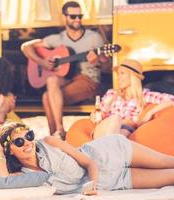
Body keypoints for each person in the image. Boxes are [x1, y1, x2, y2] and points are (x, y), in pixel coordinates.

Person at [0, 120, 174, 195]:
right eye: (18, 142)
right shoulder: (24, 175)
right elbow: (2, 179)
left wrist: (91, 185)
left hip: (110, 153)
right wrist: (0, 151)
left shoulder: (49, 142)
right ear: (10, 151)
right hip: (113, 180)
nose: (27, 143)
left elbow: (88, 161)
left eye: (29, 136)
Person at [21, 1, 109, 138]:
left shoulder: (94, 38)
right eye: (73, 17)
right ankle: (59, 131)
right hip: (68, 78)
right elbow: (26, 47)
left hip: (87, 80)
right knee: (51, 82)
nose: (77, 20)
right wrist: (42, 62)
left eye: (80, 16)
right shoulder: (58, 39)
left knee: (47, 97)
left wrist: (97, 61)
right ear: (65, 17)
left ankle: (57, 135)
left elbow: (107, 67)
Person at [91, 59, 174, 138]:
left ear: (132, 76)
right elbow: (100, 113)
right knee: (115, 119)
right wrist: (94, 116)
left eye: (122, 73)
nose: (119, 77)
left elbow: (172, 100)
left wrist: (150, 113)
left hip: (125, 130)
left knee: (121, 135)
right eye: (118, 74)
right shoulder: (112, 93)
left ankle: (104, 148)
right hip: (106, 126)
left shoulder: (144, 96)